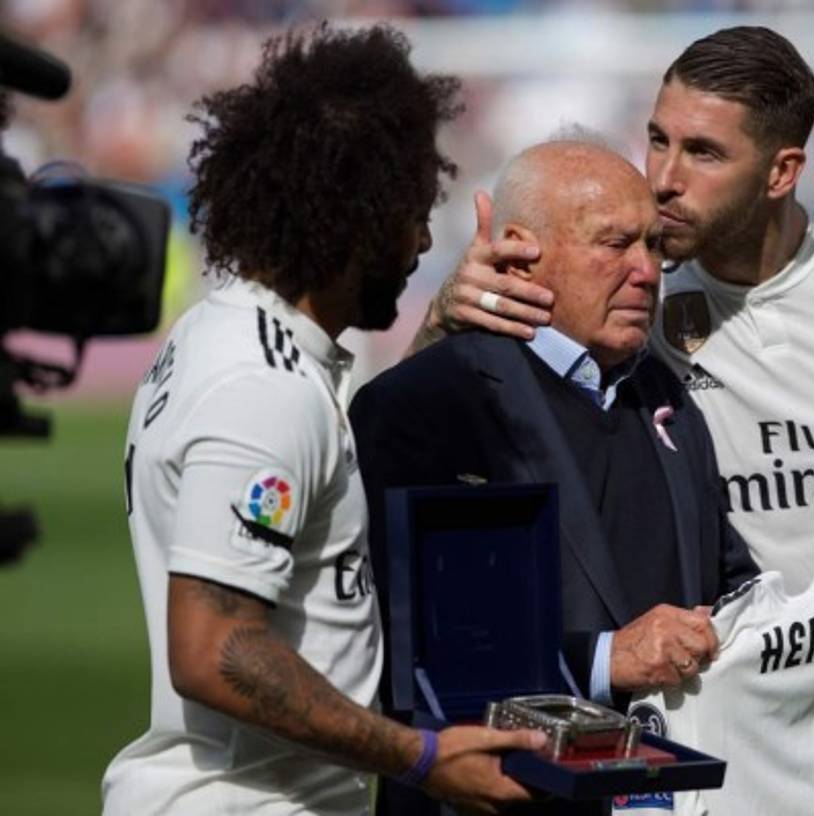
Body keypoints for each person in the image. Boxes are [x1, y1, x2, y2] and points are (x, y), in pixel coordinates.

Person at [416, 26, 814, 813]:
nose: (662, 178)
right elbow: (431, 421)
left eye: (703, 152)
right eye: (658, 139)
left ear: (781, 171)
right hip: (710, 700)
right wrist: (445, 314)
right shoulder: (627, 295)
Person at [102, 24, 544, 816]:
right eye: (411, 214)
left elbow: (321, 477)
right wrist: (421, 756)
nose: (422, 240)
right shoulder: (262, 386)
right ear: (353, 218)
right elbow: (211, 649)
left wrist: (440, 321)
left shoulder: (230, 335)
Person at [349, 139, 759, 813]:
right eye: (615, 243)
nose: (646, 271)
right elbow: (406, 654)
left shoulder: (666, 395)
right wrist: (603, 661)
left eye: (654, 245)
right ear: (519, 252)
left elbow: (727, 577)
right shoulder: (429, 402)